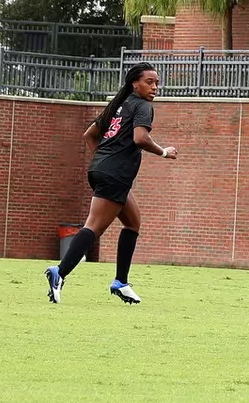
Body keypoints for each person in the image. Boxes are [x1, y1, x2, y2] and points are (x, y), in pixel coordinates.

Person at [46, 62, 177, 305]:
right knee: (94, 227)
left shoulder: (119, 105)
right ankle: (59, 272)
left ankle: (121, 283)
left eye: (157, 83)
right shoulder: (142, 106)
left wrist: (103, 161)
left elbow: (89, 135)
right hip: (114, 174)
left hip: (102, 171)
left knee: (132, 223)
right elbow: (140, 138)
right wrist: (163, 152)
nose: (154, 87)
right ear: (134, 84)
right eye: (149, 82)